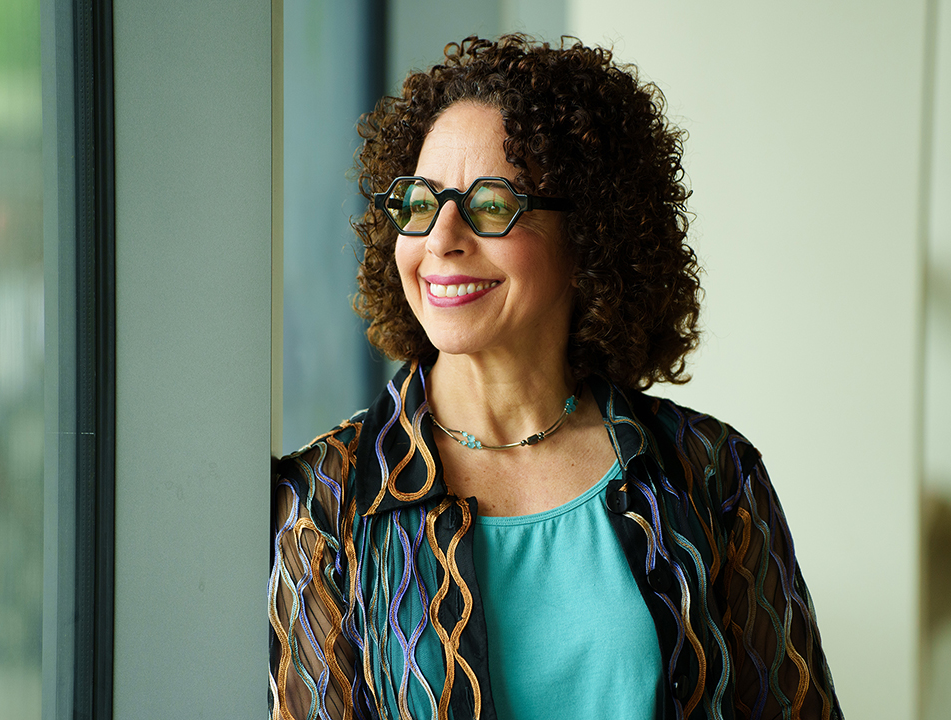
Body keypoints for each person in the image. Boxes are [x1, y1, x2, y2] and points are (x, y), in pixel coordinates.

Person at [269, 35, 841, 720]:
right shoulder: (326, 502)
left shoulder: (712, 476)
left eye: (490, 203)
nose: (442, 237)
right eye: (419, 203)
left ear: (591, 236)